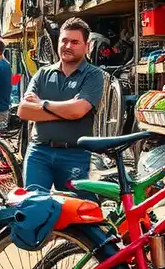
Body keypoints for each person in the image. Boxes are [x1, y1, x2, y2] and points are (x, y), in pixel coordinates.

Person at [17, 17, 105, 193]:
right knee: (33, 206)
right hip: (39, 152)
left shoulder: (93, 75)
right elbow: (23, 111)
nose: (68, 46)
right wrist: (67, 111)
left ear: (86, 46)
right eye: (64, 41)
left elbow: (78, 110)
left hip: (75, 155)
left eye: (75, 42)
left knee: (76, 210)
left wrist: (42, 104)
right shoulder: (43, 74)